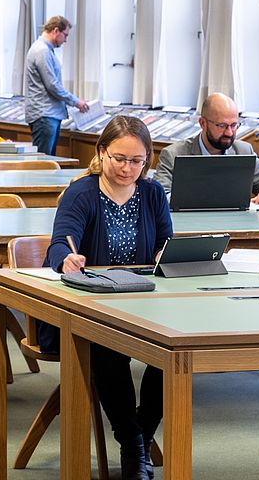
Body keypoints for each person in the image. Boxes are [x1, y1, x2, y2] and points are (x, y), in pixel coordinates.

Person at [43, 115, 172, 480]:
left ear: (147, 160)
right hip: (94, 303)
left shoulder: (152, 193)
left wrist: (165, 256)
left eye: (137, 161)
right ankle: (134, 449)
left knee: (174, 354)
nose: (128, 168)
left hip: (145, 300)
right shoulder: (81, 193)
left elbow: (166, 242)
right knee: (107, 350)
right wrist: (66, 260)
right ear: (101, 152)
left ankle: (140, 435)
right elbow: (58, 243)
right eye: (119, 158)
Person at [153, 92, 259, 204]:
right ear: (203, 123)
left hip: (235, 226)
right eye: (222, 125)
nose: (229, 133)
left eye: (234, 125)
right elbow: (158, 195)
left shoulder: (244, 151)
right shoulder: (173, 154)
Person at [23, 14, 89, 155]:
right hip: (44, 115)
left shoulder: (46, 50)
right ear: (56, 31)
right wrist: (75, 101)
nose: (65, 40)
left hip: (48, 114)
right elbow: (52, 85)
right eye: (65, 35)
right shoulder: (42, 51)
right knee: (43, 163)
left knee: (48, 160)